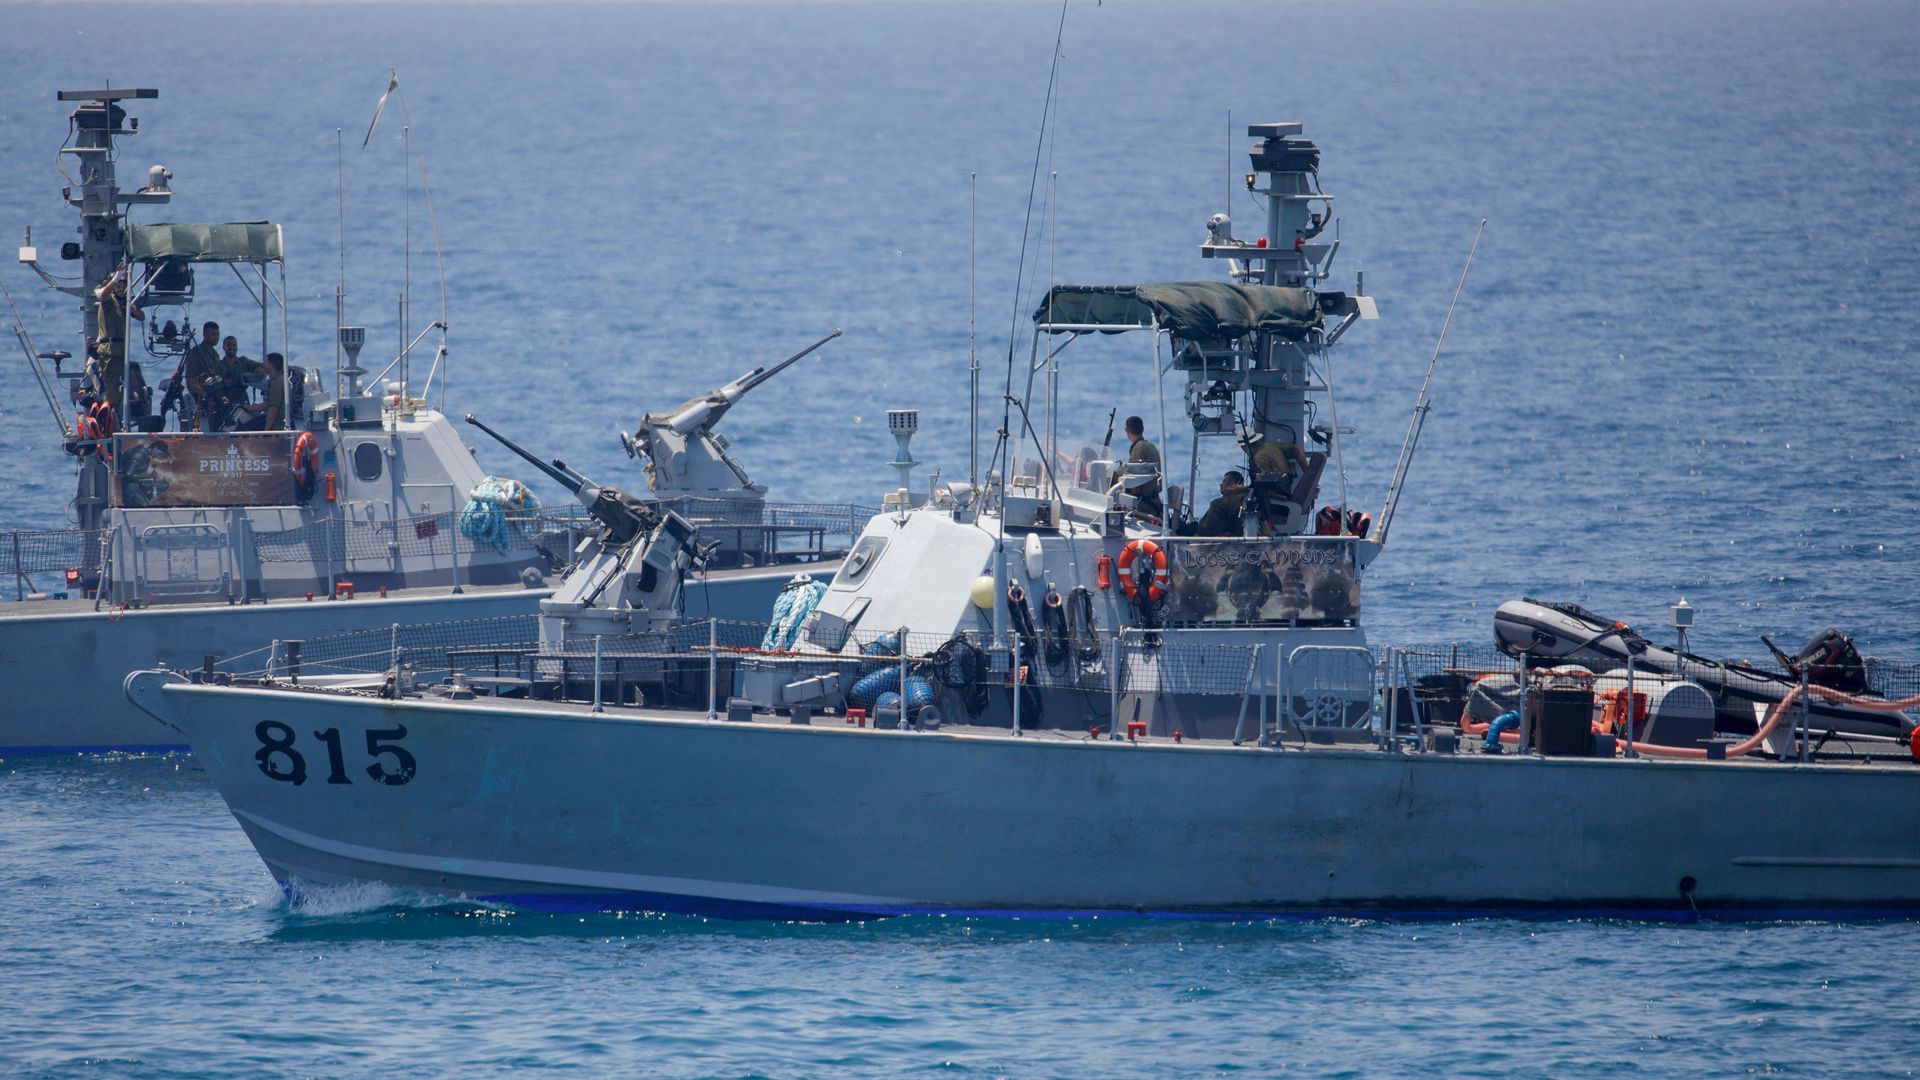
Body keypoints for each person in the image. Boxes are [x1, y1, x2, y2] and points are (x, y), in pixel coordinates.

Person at [91, 263, 144, 413]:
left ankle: (113, 416)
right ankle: (109, 418)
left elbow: (141, 316)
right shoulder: (109, 301)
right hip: (110, 350)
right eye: (118, 286)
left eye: (123, 286)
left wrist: (131, 306)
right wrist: (116, 277)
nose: (121, 289)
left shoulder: (125, 304)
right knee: (112, 389)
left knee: (121, 387)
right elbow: (104, 294)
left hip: (120, 351)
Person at [1112, 415, 1162, 517]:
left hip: (1145, 505)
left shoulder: (1137, 449)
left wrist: (1120, 473)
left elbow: (1135, 482)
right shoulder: (1151, 446)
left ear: (1127, 431)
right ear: (1142, 429)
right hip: (1155, 501)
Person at [181, 321, 223, 430]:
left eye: (217, 334)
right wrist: (205, 394)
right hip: (200, 399)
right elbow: (190, 380)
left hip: (214, 397)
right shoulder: (195, 353)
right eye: (213, 334)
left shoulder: (215, 354)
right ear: (205, 334)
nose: (216, 337)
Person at [235, 352, 290, 431]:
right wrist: (246, 408)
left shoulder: (276, 383)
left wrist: (266, 430)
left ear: (271, 365)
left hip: (277, 423)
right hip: (278, 420)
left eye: (266, 363)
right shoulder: (280, 380)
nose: (264, 365)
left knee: (242, 429)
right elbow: (266, 404)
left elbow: (273, 409)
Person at [1192, 470, 1251, 537]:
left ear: (1234, 484)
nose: (1221, 484)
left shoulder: (1220, 504)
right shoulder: (1247, 497)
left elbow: (1208, 529)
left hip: (1221, 542)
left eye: (1224, 481)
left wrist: (1192, 529)